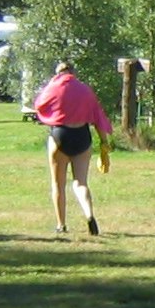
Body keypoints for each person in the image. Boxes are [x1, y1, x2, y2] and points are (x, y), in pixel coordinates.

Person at [32, 60, 113, 236]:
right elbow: (97, 116)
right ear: (73, 73)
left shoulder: (53, 87)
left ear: (57, 73)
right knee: (81, 183)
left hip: (60, 134)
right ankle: (89, 214)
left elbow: (38, 105)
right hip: (82, 135)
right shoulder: (85, 90)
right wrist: (103, 142)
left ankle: (61, 225)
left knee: (58, 184)